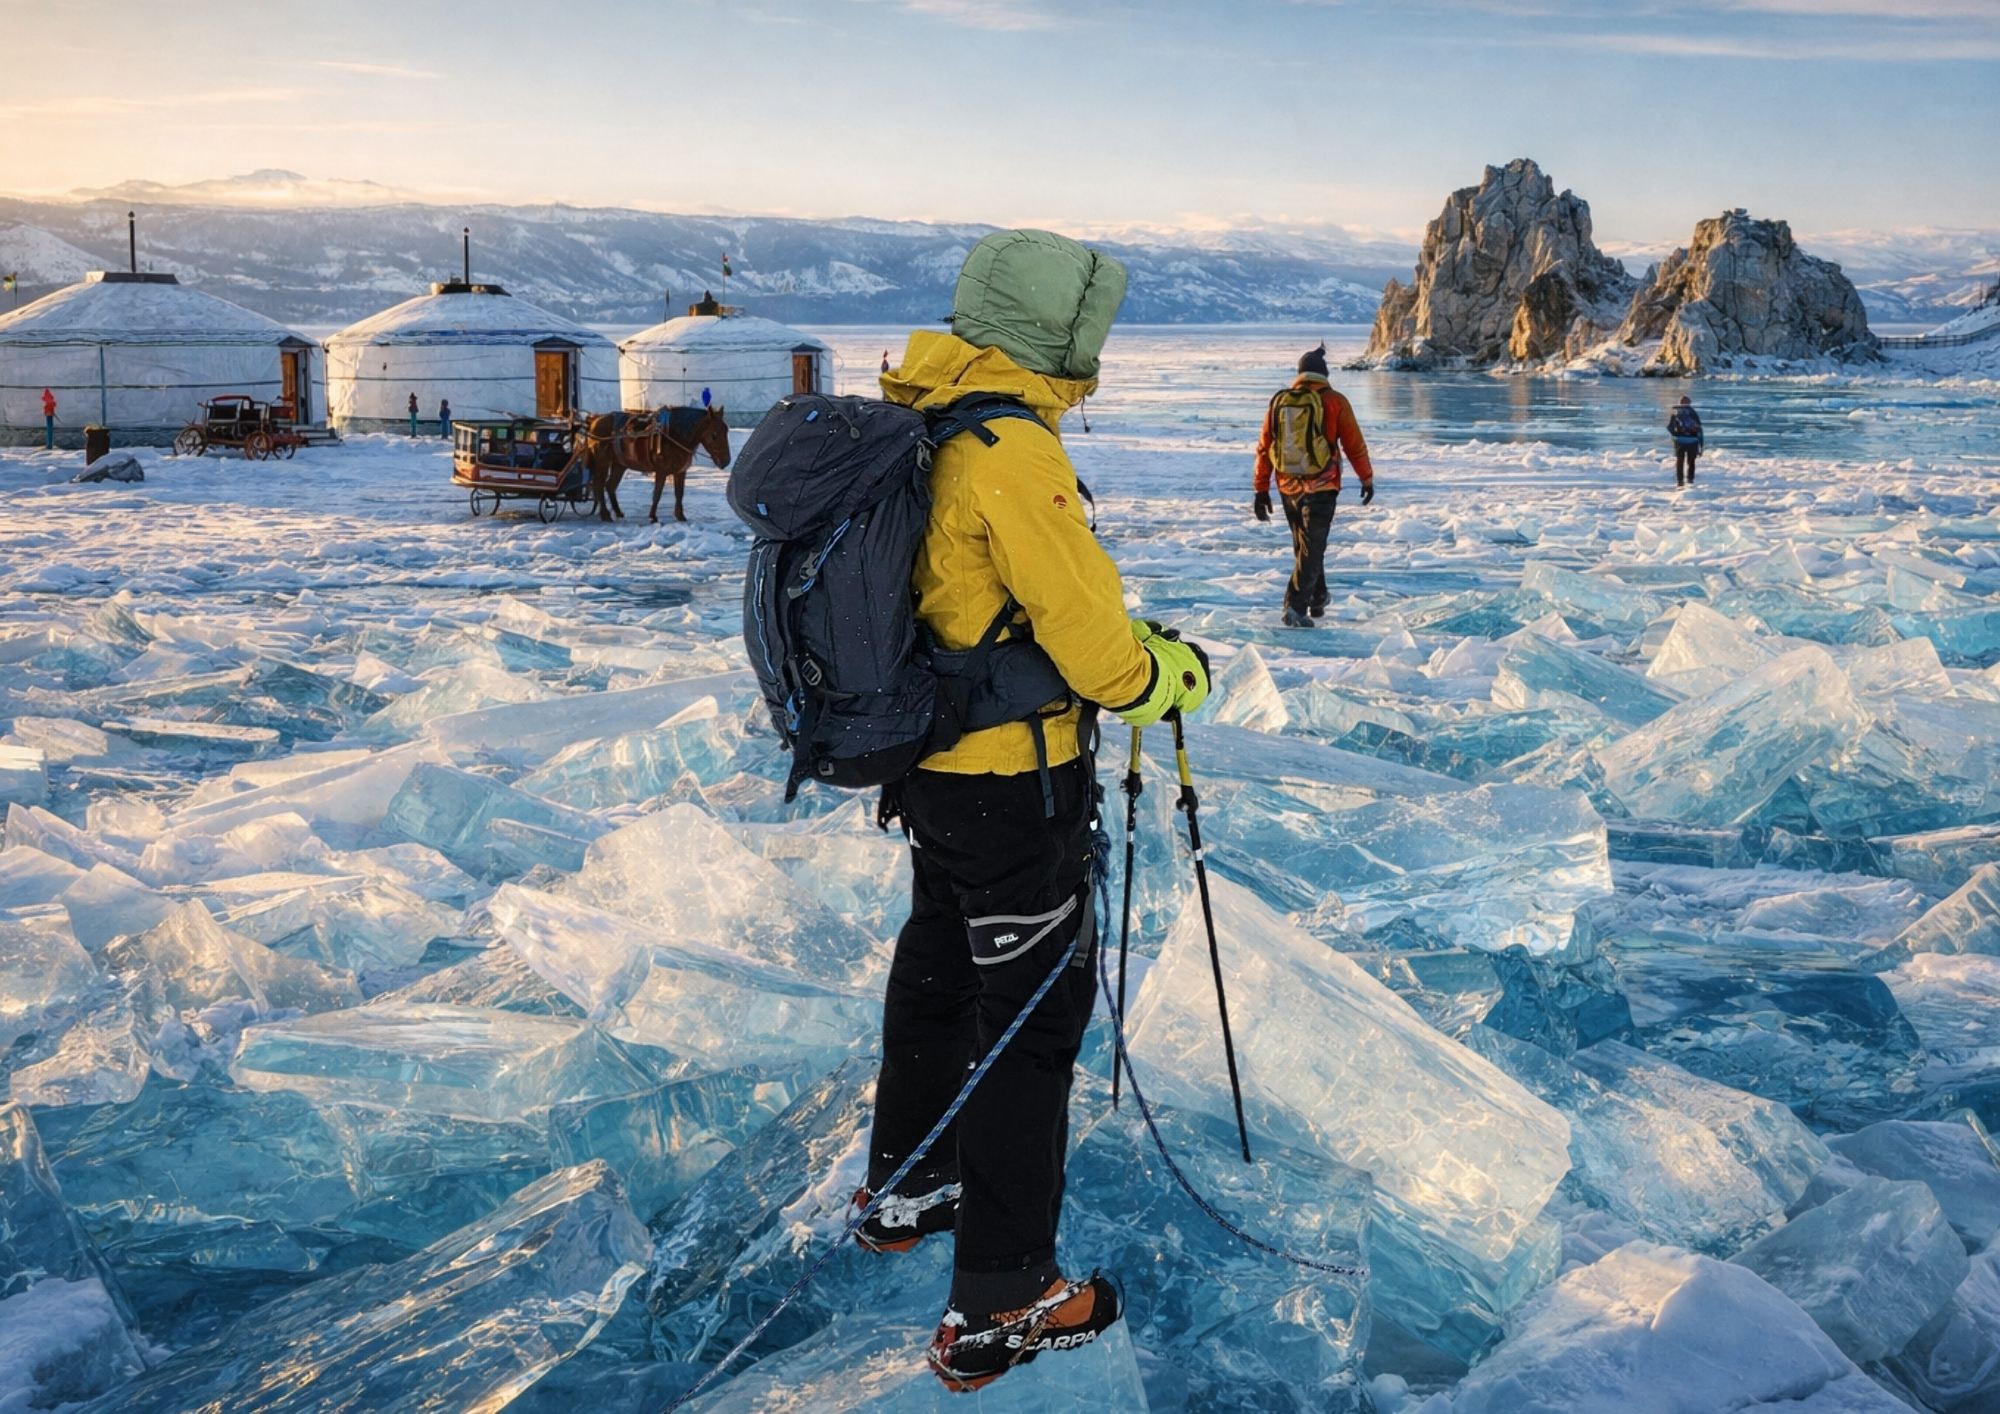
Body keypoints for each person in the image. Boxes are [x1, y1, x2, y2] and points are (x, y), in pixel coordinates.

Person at [866, 229, 1210, 1392]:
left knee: (941, 971)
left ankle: (907, 1184)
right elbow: (1098, 651)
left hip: (931, 772)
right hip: (1015, 782)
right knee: (1030, 1027)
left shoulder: (927, 417)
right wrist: (1168, 673)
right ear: (1055, 329)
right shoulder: (1010, 449)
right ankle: (1003, 1300)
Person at [1253, 344, 1374, 628]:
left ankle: (1317, 595)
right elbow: (1354, 444)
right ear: (1324, 374)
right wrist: (1366, 478)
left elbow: (1264, 447)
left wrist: (1261, 489)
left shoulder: (1279, 402)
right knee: (1312, 547)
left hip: (1288, 487)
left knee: (1306, 546)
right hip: (1322, 486)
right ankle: (1294, 607)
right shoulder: (1334, 401)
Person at [1668, 394, 1704, 486]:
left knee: (1680, 461)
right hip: (1693, 441)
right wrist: (1701, 445)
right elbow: (1699, 430)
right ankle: (1690, 480)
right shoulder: (1693, 413)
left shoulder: (1676, 413)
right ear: (1689, 403)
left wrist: (1675, 435)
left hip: (1679, 441)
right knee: (1691, 461)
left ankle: (1680, 481)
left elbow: (1670, 427)